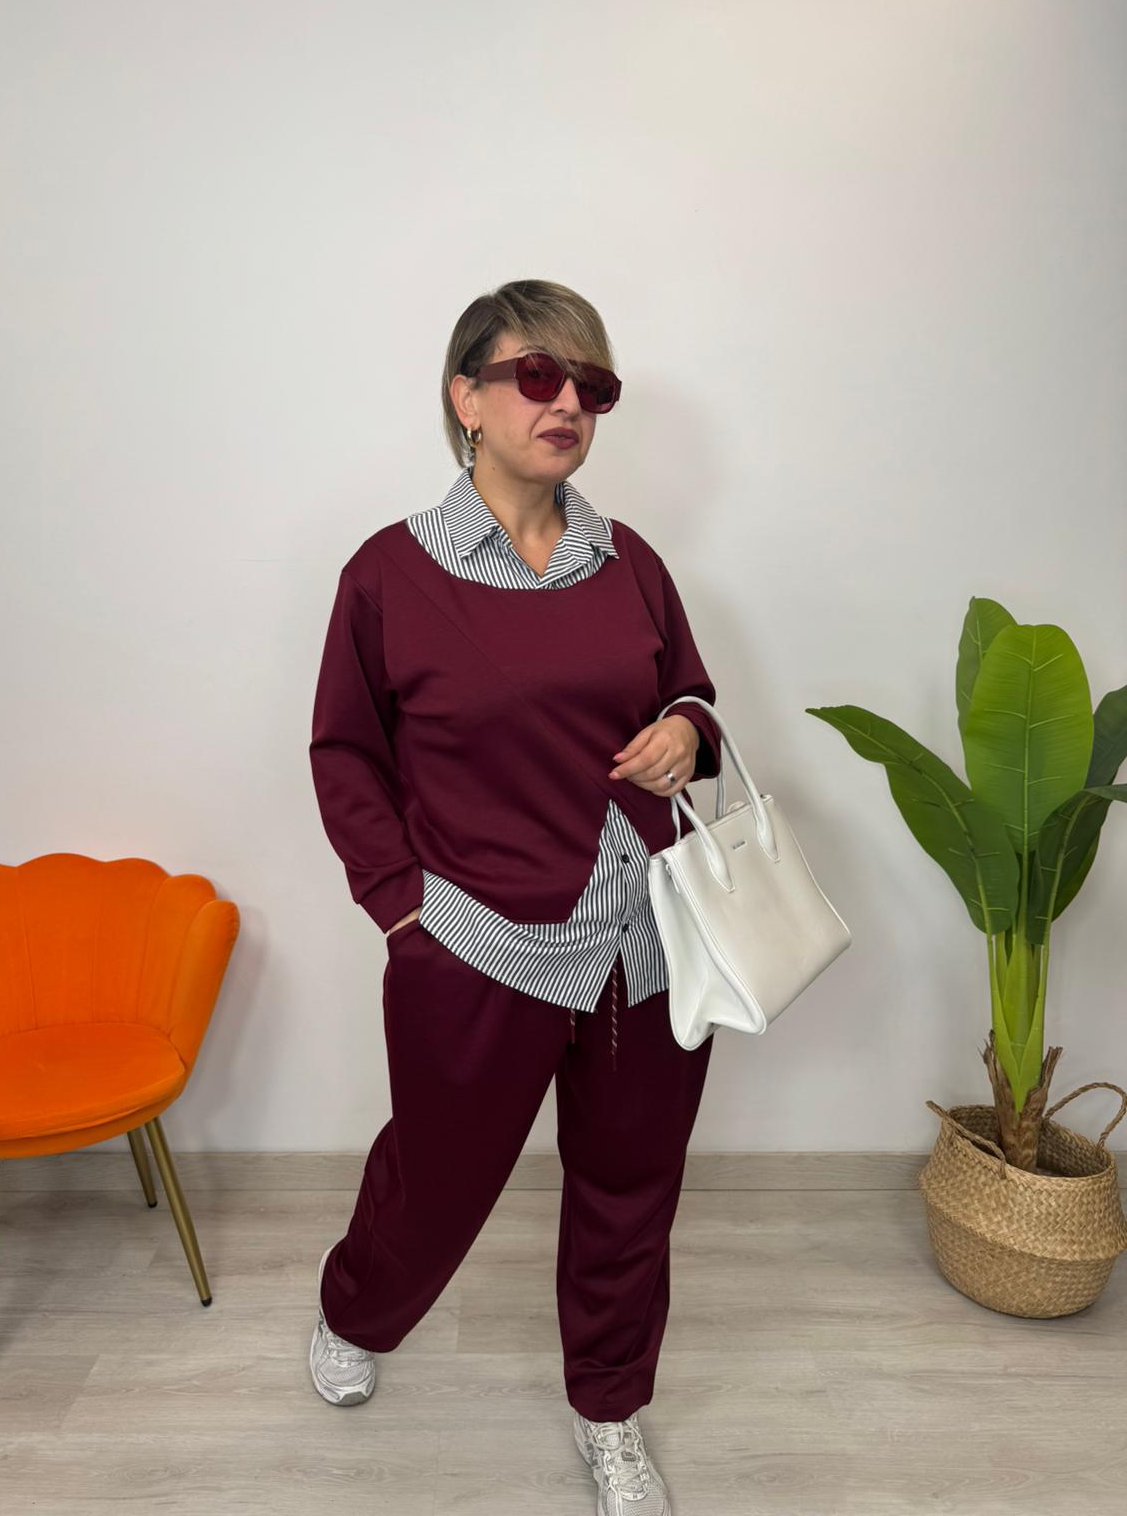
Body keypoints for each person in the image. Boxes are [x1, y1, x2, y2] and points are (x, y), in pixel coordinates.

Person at [307, 278, 721, 1516]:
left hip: (643, 941)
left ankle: (611, 1411)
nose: (568, 403)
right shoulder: (390, 575)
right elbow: (346, 753)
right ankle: (356, 1310)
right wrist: (401, 907)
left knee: (630, 1190)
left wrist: (686, 731)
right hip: (479, 940)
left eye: (591, 385)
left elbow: (692, 694)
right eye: (538, 375)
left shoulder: (629, 561)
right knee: (436, 1179)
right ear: (467, 398)